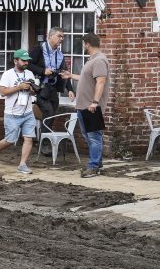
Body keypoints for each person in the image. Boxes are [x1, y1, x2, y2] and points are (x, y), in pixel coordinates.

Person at [62, 33, 110, 178]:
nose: (83, 47)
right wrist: (71, 76)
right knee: (90, 136)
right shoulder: (92, 60)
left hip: (91, 106)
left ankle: (94, 167)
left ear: (87, 44)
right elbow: (86, 78)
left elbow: (100, 82)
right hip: (84, 106)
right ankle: (97, 164)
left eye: (84, 44)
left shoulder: (100, 60)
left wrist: (95, 102)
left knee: (94, 137)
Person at [0, 48, 39, 174]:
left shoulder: (29, 74)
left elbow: (35, 91)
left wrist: (31, 90)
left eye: (27, 61)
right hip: (12, 113)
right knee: (10, 140)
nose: (26, 63)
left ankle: (22, 164)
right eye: (23, 61)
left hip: (27, 112)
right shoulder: (7, 74)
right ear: (15, 61)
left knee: (29, 138)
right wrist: (19, 87)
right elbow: (2, 92)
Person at [35, 26, 66, 127]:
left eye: (63, 37)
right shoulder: (39, 49)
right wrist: (43, 71)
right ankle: (44, 141)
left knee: (52, 115)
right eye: (59, 36)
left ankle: (44, 138)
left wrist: (70, 89)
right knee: (48, 112)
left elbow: (64, 73)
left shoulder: (60, 54)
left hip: (53, 89)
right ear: (50, 36)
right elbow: (28, 64)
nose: (62, 39)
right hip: (40, 88)